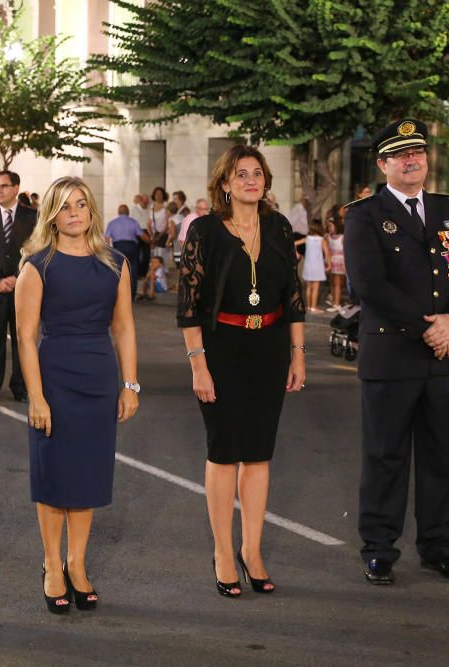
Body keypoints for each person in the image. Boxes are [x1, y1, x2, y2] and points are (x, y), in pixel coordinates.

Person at [344, 119, 449, 586]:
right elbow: (369, 284)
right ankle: (380, 549)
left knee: (440, 457)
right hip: (392, 354)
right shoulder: (364, 215)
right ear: (383, 163)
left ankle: (439, 548)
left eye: (419, 152)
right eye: (401, 155)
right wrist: (426, 327)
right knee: (385, 458)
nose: (413, 160)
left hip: (444, 356)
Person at [177, 144, 306, 598]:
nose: (251, 180)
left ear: (265, 182)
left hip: (268, 348)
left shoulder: (279, 227)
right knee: (224, 451)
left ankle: (252, 550)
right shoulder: (204, 232)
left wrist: (297, 353)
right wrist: (199, 366)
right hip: (221, 351)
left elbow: (292, 295)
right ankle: (223, 552)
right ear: (225, 184)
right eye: (241, 174)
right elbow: (188, 306)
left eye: (257, 173)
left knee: (259, 453)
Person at [15, 176, 138, 614]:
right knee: (54, 477)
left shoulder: (115, 263)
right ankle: (51, 565)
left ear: (92, 211)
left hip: (99, 379)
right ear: (52, 212)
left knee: (86, 476)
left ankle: (77, 564)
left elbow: (123, 327)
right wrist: (36, 396)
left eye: (82, 204)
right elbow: (26, 337)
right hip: (54, 378)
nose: (74, 212)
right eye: (65, 205)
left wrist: (130, 384)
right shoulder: (37, 265)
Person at [0, 170, 38, 404]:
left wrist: (17, 278)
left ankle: (20, 388)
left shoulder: (32, 217)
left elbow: (36, 250)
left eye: (3, 186)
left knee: (24, 339)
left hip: (24, 290)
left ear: (15, 188)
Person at [104, 204, 148, 296]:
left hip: (118, 247)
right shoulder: (133, 222)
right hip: (132, 247)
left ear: (118, 212)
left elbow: (106, 238)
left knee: (118, 270)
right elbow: (142, 235)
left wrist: (108, 251)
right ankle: (132, 294)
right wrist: (150, 241)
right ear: (128, 213)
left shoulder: (112, 223)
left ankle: (119, 294)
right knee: (133, 269)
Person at [300, 218, 330, 312]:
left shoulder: (307, 238)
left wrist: (297, 253)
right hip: (317, 266)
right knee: (316, 287)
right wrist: (329, 264)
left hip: (308, 265)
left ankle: (309, 306)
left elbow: (294, 243)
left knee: (309, 286)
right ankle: (314, 307)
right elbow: (327, 253)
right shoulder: (322, 240)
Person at [326, 205, 347, 310]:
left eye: (331, 226)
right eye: (328, 226)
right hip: (332, 262)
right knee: (333, 283)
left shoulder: (342, 237)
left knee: (338, 284)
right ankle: (334, 300)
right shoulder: (329, 237)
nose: (329, 228)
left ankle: (337, 303)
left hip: (339, 262)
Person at [148, 186, 171, 262]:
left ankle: (162, 273)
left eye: (160, 194)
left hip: (163, 234)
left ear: (163, 195)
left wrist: (159, 236)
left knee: (162, 256)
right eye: (156, 194)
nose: (158, 196)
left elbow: (168, 223)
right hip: (154, 235)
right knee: (154, 255)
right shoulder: (152, 206)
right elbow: (148, 222)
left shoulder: (166, 206)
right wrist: (152, 236)